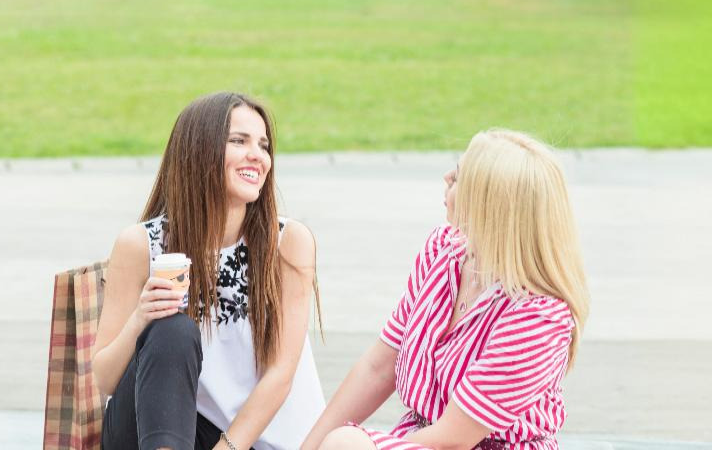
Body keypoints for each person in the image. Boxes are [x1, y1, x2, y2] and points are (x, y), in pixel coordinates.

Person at [301, 129, 589, 450]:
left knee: (347, 445)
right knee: (340, 443)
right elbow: (378, 368)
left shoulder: (538, 316)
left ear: (489, 203)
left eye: (460, 176)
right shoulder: (442, 250)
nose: (447, 177)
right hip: (422, 439)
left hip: (467, 444)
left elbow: (452, 440)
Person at [93, 92, 325, 450]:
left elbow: (280, 374)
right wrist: (140, 318)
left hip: (249, 439)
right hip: (158, 429)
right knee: (171, 329)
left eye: (263, 145)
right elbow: (106, 380)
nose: (257, 156)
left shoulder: (288, 243)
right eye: (238, 141)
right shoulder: (141, 245)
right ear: (198, 150)